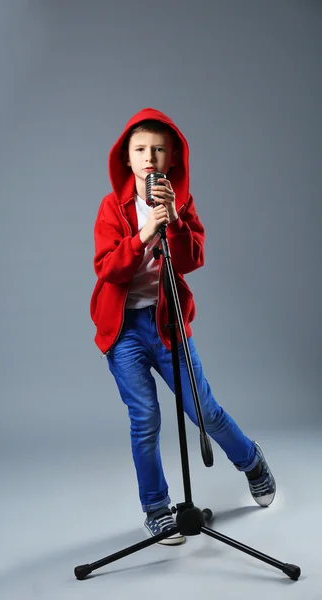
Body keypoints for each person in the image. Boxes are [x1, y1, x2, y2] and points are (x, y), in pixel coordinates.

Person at [90, 107, 276, 545]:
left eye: (158, 149)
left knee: (204, 410)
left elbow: (193, 259)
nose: (149, 157)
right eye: (140, 149)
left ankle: (251, 461)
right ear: (127, 157)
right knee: (145, 418)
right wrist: (140, 235)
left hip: (167, 323)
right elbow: (108, 269)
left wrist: (171, 220)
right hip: (124, 331)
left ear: (172, 157)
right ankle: (157, 509)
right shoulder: (111, 207)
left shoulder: (181, 202)